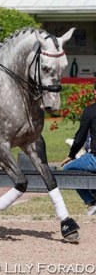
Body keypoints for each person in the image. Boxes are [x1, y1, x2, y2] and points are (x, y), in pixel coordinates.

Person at [61, 81, 96, 216]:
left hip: (94, 159)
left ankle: (91, 202)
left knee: (68, 169)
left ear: (94, 92)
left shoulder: (90, 111)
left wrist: (71, 155)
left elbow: (79, 139)